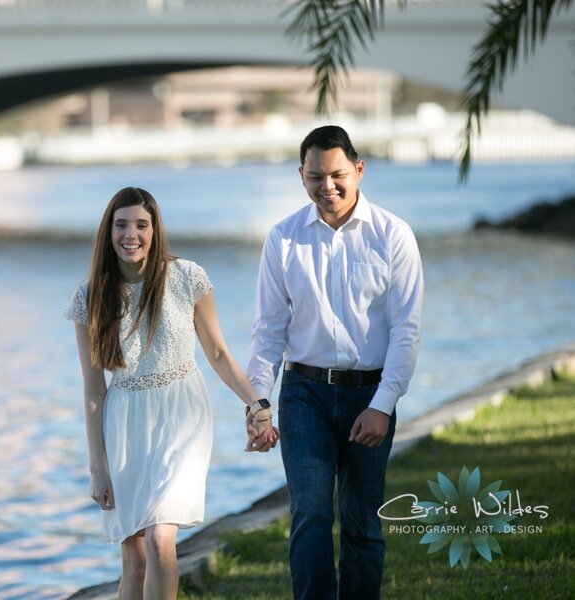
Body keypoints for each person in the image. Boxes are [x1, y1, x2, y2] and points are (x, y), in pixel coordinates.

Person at [66, 186, 279, 599]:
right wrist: (98, 467)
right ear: (107, 232)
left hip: (183, 416)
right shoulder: (90, 297)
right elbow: (94, 390)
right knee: (134, 556)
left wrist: (257, 403)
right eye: (122, 225)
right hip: (124, 424)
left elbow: (217, 352)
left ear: (155, 229)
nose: (132, 235)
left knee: (161, 537)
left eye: (141, 225)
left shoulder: (187, 278)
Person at [247, 126, 424, 599]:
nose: (327, 187)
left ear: (359, 170)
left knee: (363, 519)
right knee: (310, 511)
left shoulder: (394, 236)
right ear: (300, 177)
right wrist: (258, 402)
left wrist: (383, 405)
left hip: (370, 392)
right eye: (315, 177)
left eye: (338, 175)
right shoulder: (283, 239)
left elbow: (407, 331)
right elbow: (268, 332)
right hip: (304, 394)